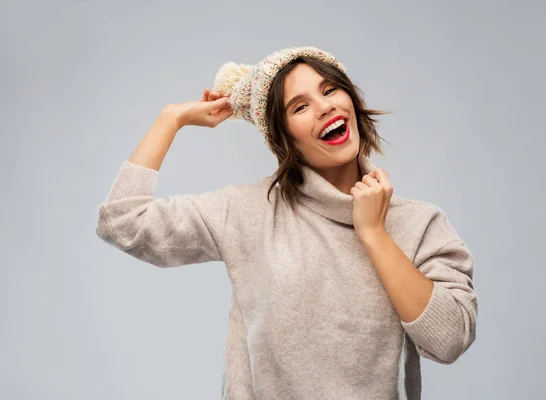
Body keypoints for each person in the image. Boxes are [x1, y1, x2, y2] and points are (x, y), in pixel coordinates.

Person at [95, 46, 477, 400]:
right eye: (299, 107)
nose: (325, 107)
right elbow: (123, 222)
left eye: (330, 90)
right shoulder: (247, 211)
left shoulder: (419, 223)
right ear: (285, 141)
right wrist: (171, 119)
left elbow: (449, 340)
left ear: (353, 102)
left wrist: (374, 234)